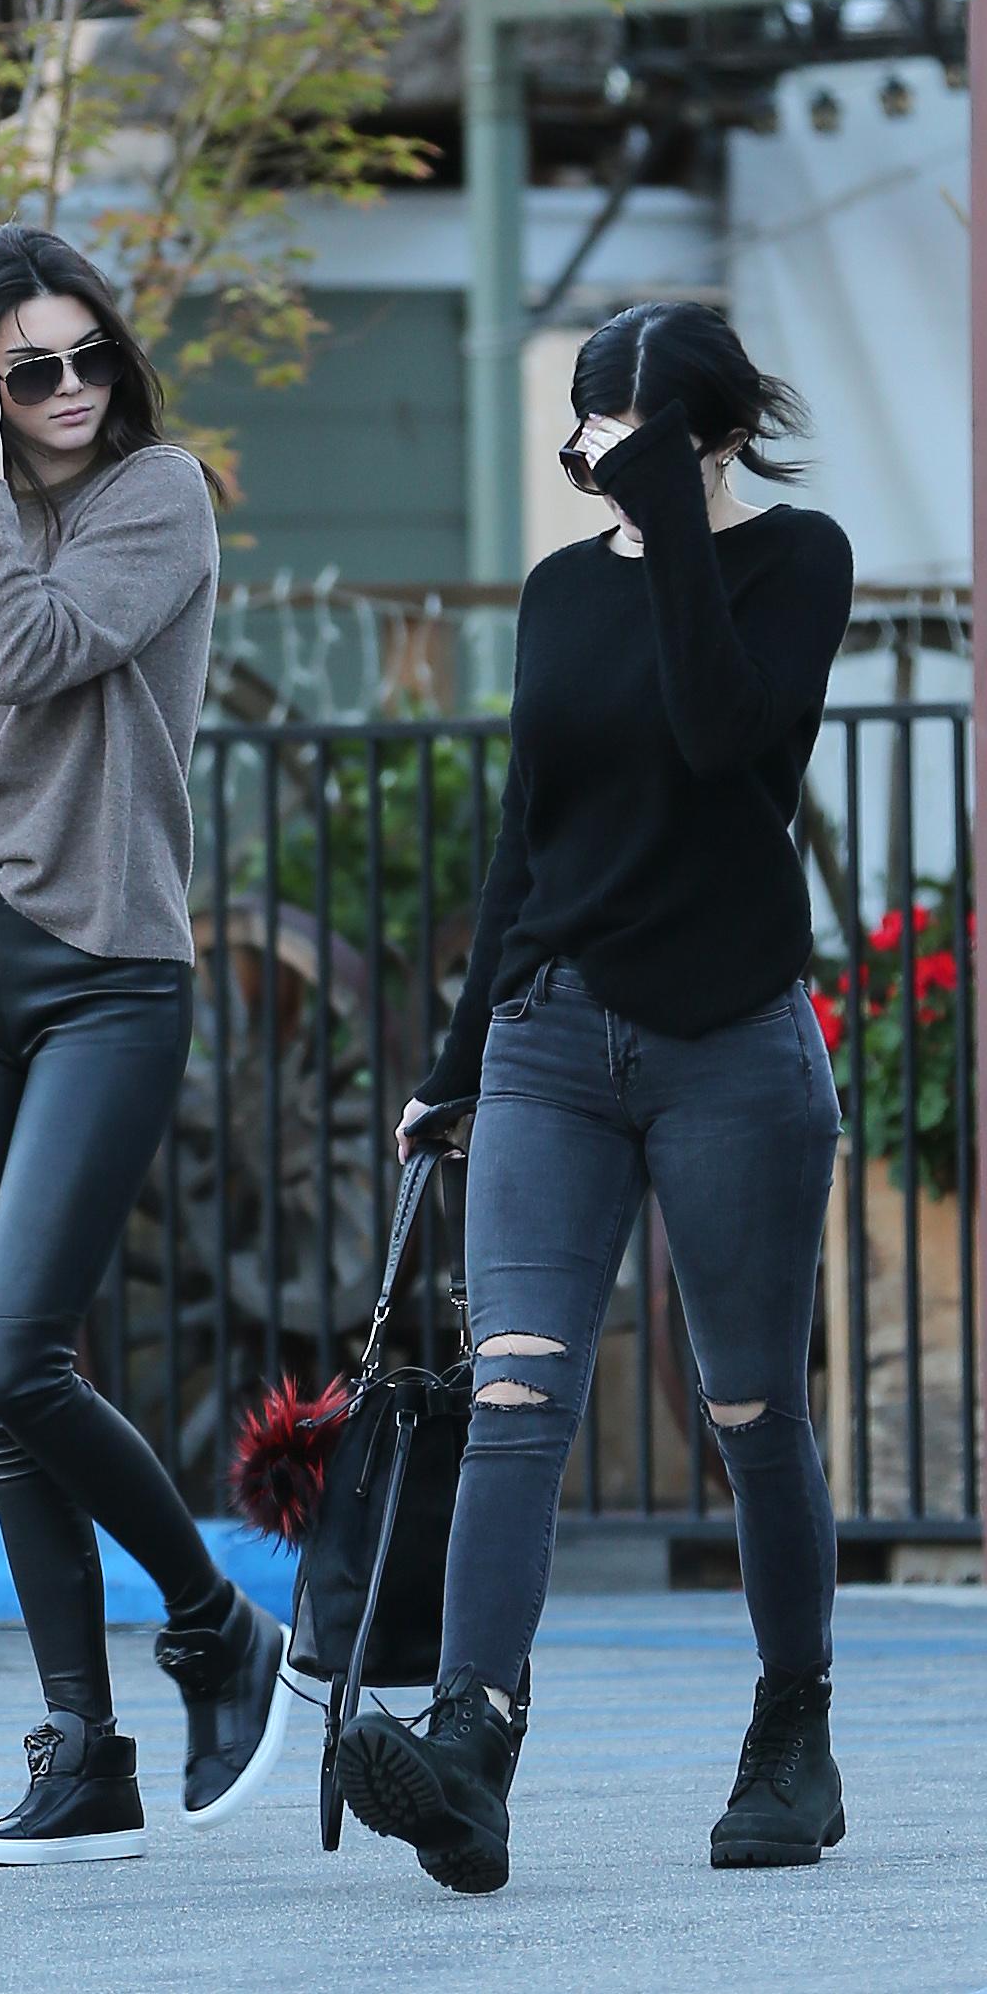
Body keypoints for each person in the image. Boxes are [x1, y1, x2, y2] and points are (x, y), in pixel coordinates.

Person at [335, 301, 854, 1894]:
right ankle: (470, 1745)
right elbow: (525, 833)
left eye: (612, 434)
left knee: (752, 1408)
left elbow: (727, 741)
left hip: (732, 1045)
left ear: (700, 435)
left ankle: (792, 1736)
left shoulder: (799, 559)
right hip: (555, 1038)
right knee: (515, 1392)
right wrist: (454, 1062)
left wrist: (680, 524)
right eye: (576, 432)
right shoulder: (561, 593)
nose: (582, 462)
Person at [0, 223, 290, 1866]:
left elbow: (36, 658)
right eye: (23, 366)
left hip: (106, 967)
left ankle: (216, 1628)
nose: (63, 390)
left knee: (27, 1344)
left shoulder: (157, 497)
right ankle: (81, 1750)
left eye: (84, 356)